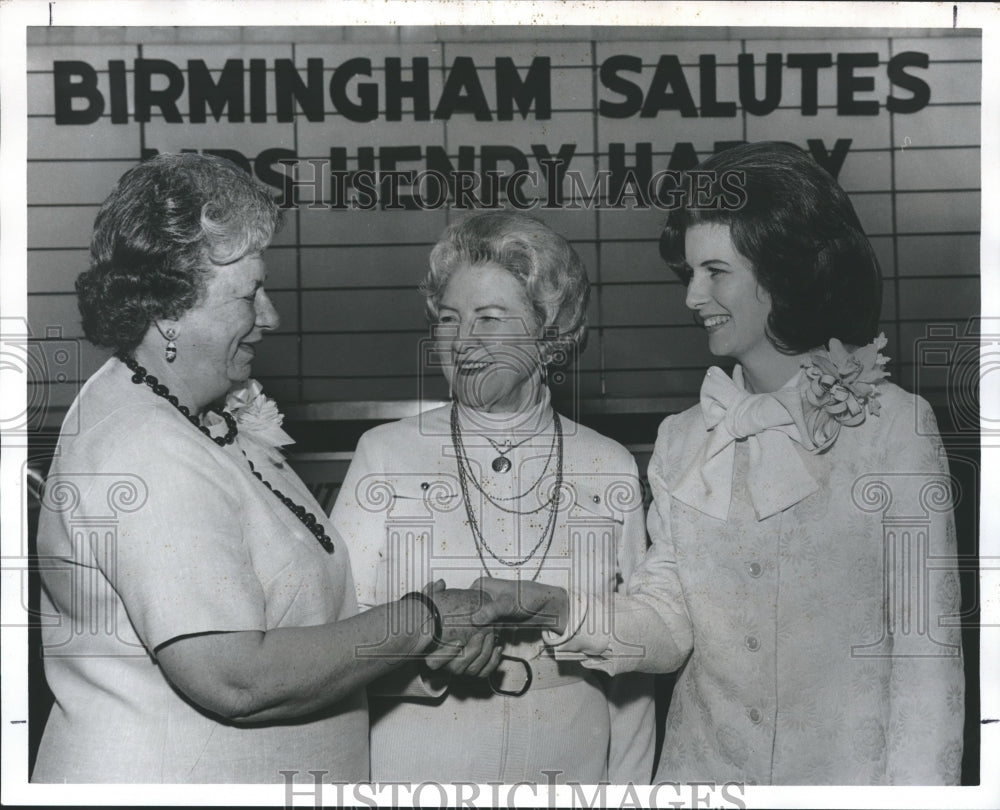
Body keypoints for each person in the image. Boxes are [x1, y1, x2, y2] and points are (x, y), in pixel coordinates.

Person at [477, 142, 966, 785]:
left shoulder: (895, 426)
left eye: (716, 271)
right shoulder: (684, 440)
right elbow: (667, 620)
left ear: (785, 271)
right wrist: (555, 609)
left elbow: (927, 663)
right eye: (690, 273)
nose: (692, 297)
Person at [32, 153, 503, 783]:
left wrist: (416, 644)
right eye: (251, 294)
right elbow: (236, 677)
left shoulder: (200, 417)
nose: (272, 316)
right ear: (170, 307)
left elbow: (298, 628)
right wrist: (427, 619)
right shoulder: (142, 446)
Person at [331, 211, 656, 784]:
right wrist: (425, 660)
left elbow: (632, 656)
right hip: (416, 769)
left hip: (569, 772)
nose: (462, 343)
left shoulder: (609, 466)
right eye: (450, 320)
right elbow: (334, 634)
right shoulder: (385, 454)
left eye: (489, 319)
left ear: (548, 332)